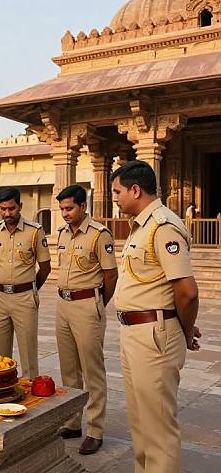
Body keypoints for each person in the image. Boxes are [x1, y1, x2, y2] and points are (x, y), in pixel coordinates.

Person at [111, 160, 201, 473]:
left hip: (153, 336)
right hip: (135, 333)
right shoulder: (144, 226)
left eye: (118, 192)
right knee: (141, 422)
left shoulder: (163, 226)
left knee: (159, 428)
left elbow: (187, 291)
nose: (115, 199)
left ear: (136, 190)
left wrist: (185, 332)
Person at [55, 184, 118, 455]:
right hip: (63, 305)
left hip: (87, 305)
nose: (65, 214)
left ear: (83, 206)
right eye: (61, 209)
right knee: (69, 370)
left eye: (69, 208)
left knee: (92, 371)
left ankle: (95, 429)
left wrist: (97, 305)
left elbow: (111, 276)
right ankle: (72, 422)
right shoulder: (62, 235)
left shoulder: (98, 235)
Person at [0, 187, 51, 380]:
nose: (7, 213)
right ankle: (3, 390)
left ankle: (31, 390)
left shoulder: (34, 232)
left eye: (11, 208)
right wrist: (4, 282)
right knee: (0, 354)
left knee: (28, 350)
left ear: (20, 206)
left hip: (25, 298)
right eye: (3, 209)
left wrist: (28, 288)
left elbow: (45, 267)